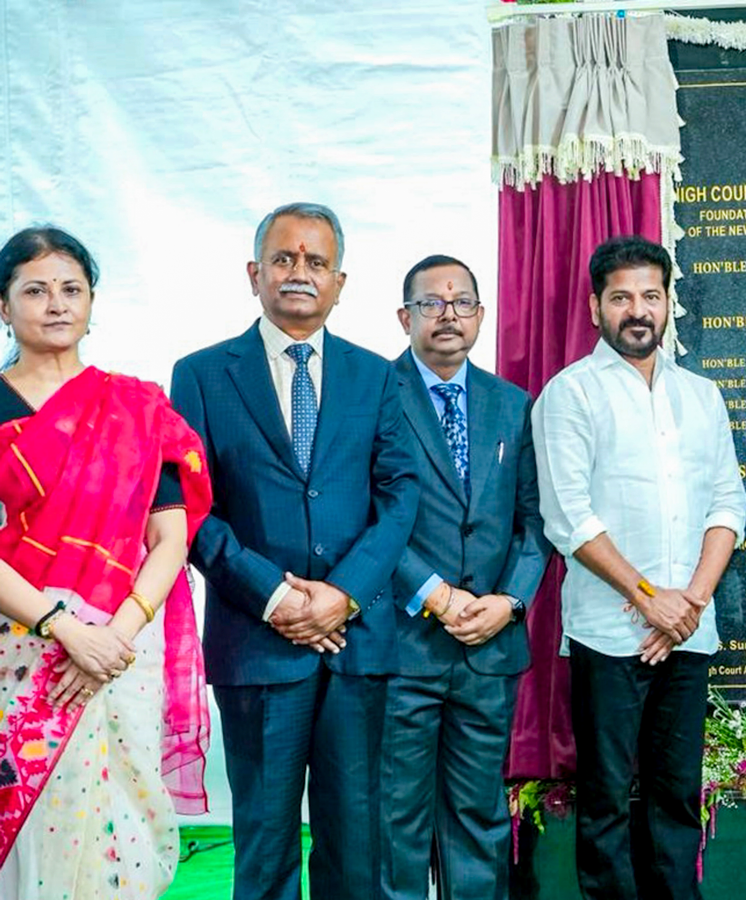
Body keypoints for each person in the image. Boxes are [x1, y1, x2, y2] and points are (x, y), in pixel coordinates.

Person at [170, 203, 418, 900]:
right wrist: (274, 595)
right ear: (254, 274)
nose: (299, 273)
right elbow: (190, 507)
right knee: (265, 844)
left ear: (340, 282)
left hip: (356, 642)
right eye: (283, 259)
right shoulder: (201, 374)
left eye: (316, 262)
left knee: (356, 843)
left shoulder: (376, 377)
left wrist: (342, 594)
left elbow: (400, 497)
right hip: (255, 641)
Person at [532, 235, 746, 900]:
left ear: (667, 304)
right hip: (609, 632)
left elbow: (727, 502)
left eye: (650, 296)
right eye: (621, 297)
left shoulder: (701, 396)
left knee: (677, 793)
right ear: (595, 305)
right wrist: (650, 598)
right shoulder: (570, 395)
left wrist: (689, 603)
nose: (637, 310)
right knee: (606, 798)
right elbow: (570, 520)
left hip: (689, 630)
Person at [0, 226, 212, 899]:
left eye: (71, 288)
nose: (56, 303)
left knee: (117, 824)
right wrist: (67, 629)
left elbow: (169, 538)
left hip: (121, 654)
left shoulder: (136, 407)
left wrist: (116, 634)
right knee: (22, 821)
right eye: (35, 290)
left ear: (92, 301)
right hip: (19, 651)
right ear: (4, 307)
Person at [380, 254, 550, 900]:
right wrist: (434, 594)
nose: (447, 315)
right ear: (405, 317)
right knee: (397, 821)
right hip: (402, 648)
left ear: (480, 314)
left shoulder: (511, 405)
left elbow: (534, 523)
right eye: (431, 303)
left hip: (489, 648)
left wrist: (509, 600)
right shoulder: (373, 394)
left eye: (461, 302)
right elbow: (368, 518)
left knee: (479, 818)